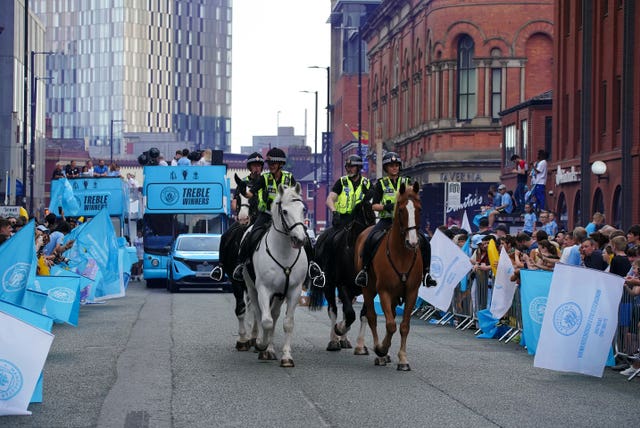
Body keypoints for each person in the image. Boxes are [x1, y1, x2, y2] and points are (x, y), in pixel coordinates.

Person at [231, 147, 324, 286]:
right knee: (252, 234)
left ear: (281, 164)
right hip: (267, 215)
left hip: (286, 217)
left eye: (274, 163)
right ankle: (241, 265)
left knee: (304, 235)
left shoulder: (289, 177)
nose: (271, 166)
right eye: (269, 163)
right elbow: (250, 194)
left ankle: (312, 265)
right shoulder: (264, 178)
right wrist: (243, 189)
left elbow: (295, 197)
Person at [354, 152, 435, 288]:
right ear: (386, 168)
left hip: (406, 222)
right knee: (370, 240)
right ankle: (364, 272)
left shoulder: (407, 181)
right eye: (391, 166)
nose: (394, 168)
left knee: (425, 242)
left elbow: (414, 199)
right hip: (387, 220)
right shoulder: (381, 184)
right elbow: (374, 205)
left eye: (396, 165)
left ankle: (426, 274)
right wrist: (387, 206)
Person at [210, 152, 265, 282]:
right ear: (250, 167)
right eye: (254, 166)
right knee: (225, 236)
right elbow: (234, 203)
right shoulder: (243, 182)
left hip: (262, 217)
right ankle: (221, 267)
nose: (256, 168)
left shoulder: (266, 181)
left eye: (259, 166)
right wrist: (238, 211)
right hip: (246, 218)